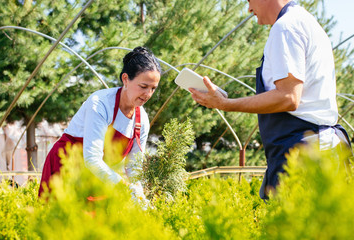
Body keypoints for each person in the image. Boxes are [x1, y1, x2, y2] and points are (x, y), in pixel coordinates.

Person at [189, 0, 351, 199]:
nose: (248, 8)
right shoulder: (307, 22)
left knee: (291, 228)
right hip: (317, 149)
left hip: (303, 153)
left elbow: (289, 97)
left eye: (249, 0)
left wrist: (225, 105)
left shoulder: (285, 27)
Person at [39, 46, 161, 204]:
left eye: (153, 89)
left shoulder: (141, 119)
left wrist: (139, 194)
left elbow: (134, 166)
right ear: (125, 79)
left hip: (97, 179)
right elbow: (92, 158)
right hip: (65, 170)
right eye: (143, 87)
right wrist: (122, 187)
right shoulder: (101, 103)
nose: (148, 94)